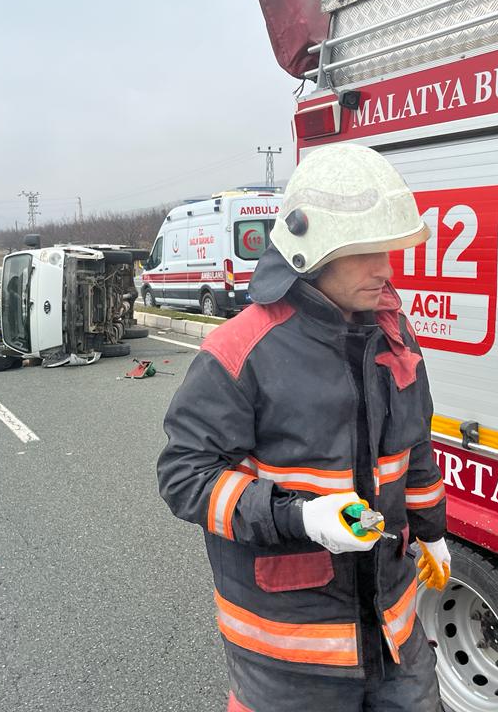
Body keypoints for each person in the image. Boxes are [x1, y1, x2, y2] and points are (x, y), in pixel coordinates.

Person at [157, 144, 449, 712]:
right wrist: (300, 516)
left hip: (394, 632)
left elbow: (414, 449)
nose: (385, 268)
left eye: (386, 249)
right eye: (365, 252)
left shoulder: (393, 335)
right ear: (312, 253)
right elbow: (184, 478)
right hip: (291, 651)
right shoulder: (241, 350)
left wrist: (432, 528)